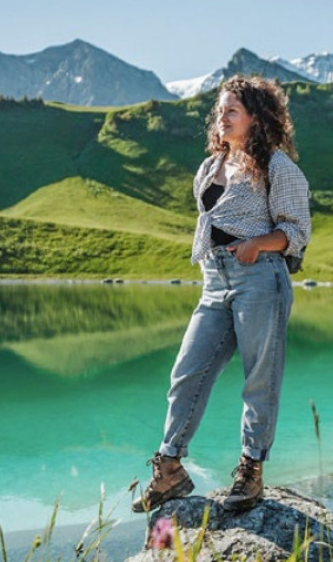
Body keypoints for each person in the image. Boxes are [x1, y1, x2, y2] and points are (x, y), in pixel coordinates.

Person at [132, 75, 312, 513]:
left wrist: (256, 245)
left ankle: (251, 472)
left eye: (232, 110)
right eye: (221, 110)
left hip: (260, 278)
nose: (222, 117)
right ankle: (170, 469)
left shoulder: (278, 166)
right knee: (186, 373)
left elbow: (296, 231)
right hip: (215, 281)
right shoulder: (211, 166)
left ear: (256, 117)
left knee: (259, 380)